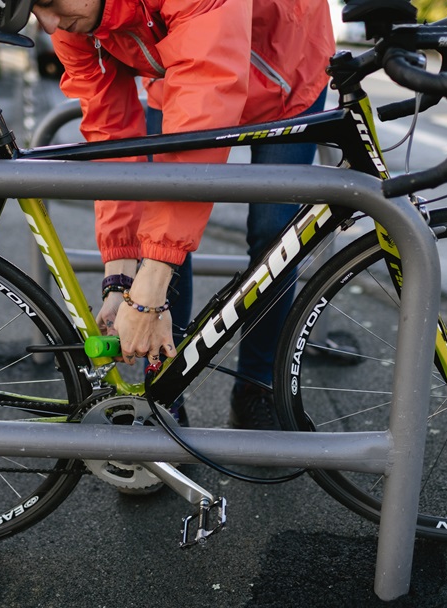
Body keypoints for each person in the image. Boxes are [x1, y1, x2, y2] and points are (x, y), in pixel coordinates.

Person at [32, 0, 337, 427]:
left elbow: (207, 95)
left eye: (47, 0)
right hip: (181, 71)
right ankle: (166, 391)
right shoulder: (73, 21)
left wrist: (147, 298)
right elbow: (109, 131)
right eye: (33, 8)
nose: (47, 24)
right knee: (161, 222)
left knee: (274, 234)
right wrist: (120, 275)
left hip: (285, 68)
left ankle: (257, 386)